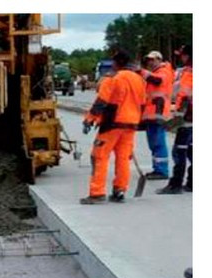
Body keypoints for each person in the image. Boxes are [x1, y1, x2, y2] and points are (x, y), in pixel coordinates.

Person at [80, 50, 146, 204]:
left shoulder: (112, 79)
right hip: (131, 124)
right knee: (123, 158)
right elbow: (142, 103)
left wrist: (89, 119)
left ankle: (97, 193)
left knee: (99, 156)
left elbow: (101, 102)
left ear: (116, 63)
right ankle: (119, 191)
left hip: (112, 124)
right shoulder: (139, 80)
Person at [157, 44, 193, 194]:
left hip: (188, 119)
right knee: (192, 151)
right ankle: (192, 183)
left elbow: (185, 95)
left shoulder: (189, 73)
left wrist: (178, 117)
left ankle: (176, 184)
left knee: (180, 151)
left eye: (182, 55)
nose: (181, 57)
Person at [139, 50, 175, 180]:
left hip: (158, 113)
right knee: (154, 143)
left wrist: (141, 72)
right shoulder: (155, 72)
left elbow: (157, 81)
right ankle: (157, 168)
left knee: (158, 142)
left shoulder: (164, 71)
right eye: (148, 60)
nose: (150, 62)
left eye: (153, 59)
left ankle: (161, 170)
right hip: (152, 114)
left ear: (159, 60)